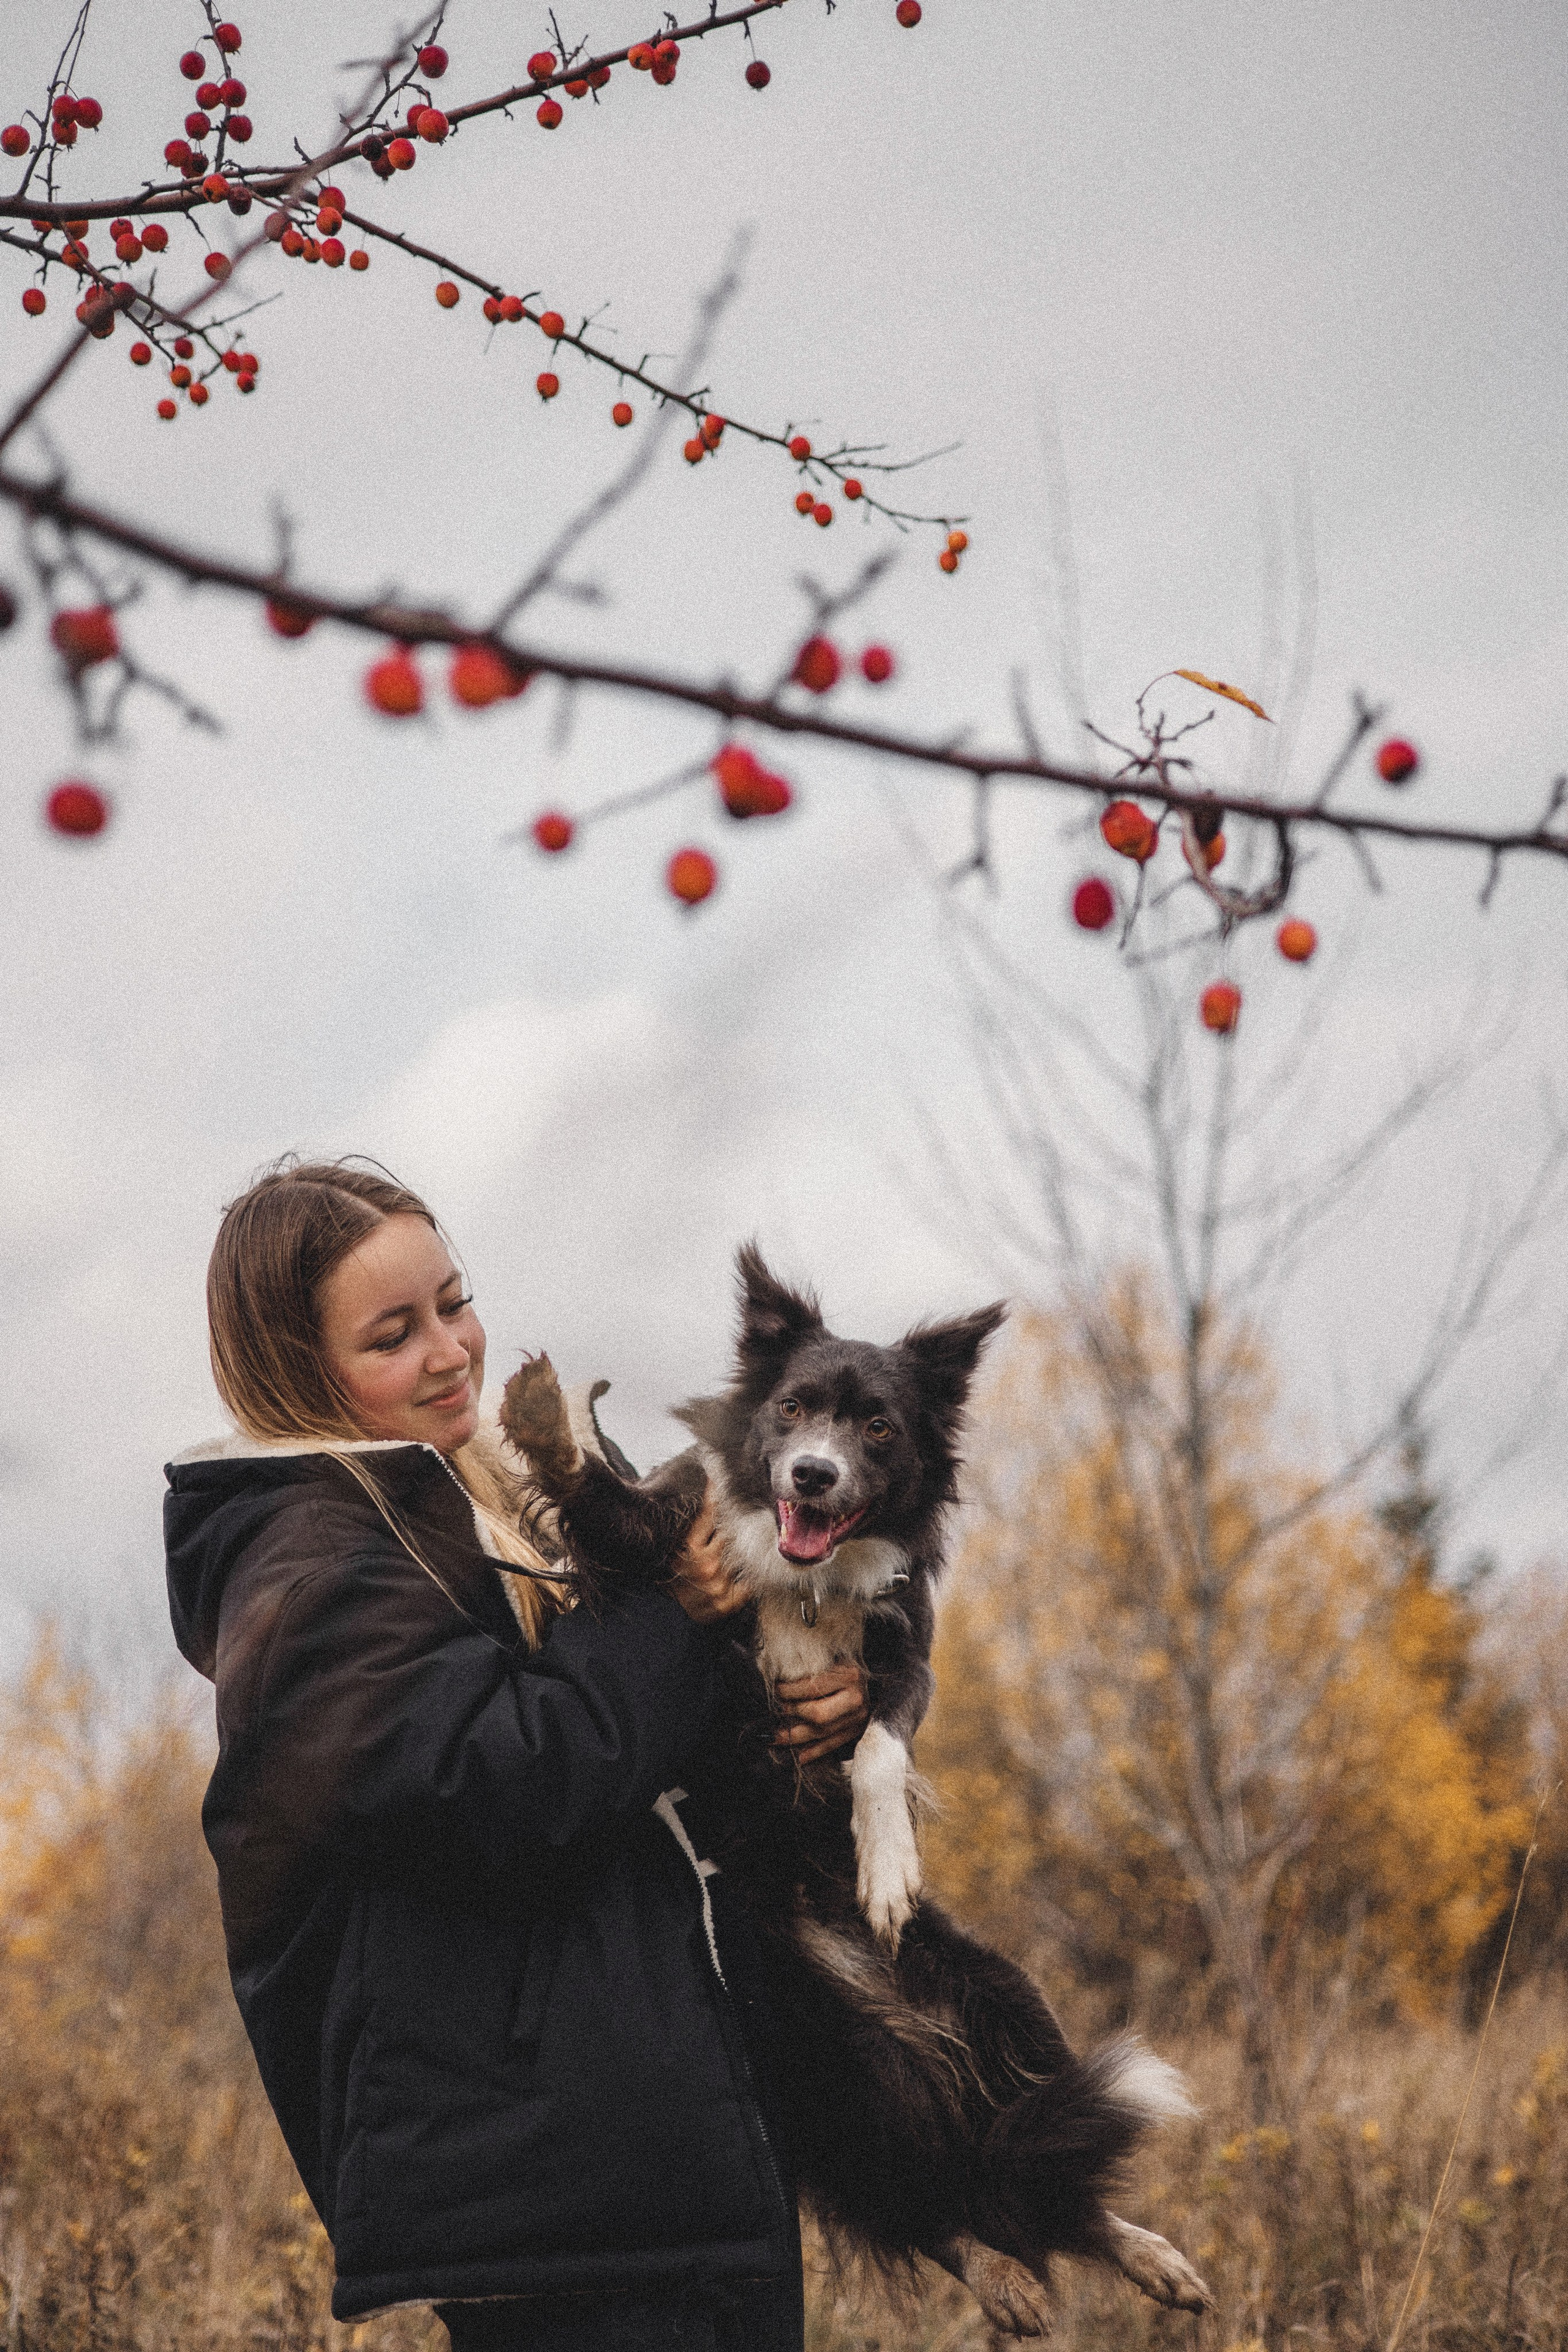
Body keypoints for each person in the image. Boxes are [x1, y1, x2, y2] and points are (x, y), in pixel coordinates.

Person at [164, 1159, 869, 2352]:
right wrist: (670, 1617)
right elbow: (504, 1784)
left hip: (656, 2167)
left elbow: (634, 1775)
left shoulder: (493, 1507)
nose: (449, 1350)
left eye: (453, 1300)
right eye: (392, 1334)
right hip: (566, 2201)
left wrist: (797, 1708)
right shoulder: (308, 1566)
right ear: (299, 1371)